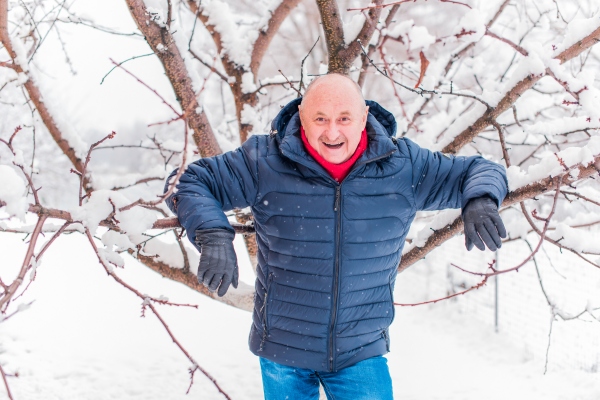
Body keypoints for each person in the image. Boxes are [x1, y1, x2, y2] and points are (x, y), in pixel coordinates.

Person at [166, 73, 507, 399]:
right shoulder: (265, 162)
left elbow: (481, 170)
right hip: (283, 348)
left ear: (364, 118)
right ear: (301, 116)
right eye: (320, 119)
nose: (332, 131)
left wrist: (480, 198)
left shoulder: (402, 167)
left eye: (344, 118)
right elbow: (186, 181)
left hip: (359, 349)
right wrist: (212, 235)